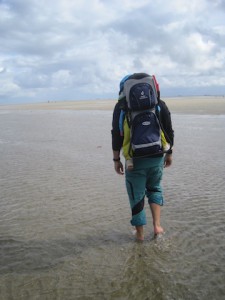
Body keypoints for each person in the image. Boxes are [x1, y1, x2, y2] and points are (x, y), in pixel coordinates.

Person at [111, 73, 174, 241]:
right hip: (157, 155)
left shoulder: (121, 107)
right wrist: (169, 153)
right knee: (155, 188)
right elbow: (168, 130)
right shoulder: (159, 104)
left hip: (134, 160)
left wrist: (116, 159)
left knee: (136, 194)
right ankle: (157, 227)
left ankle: (139, 235)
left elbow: (116, 135)